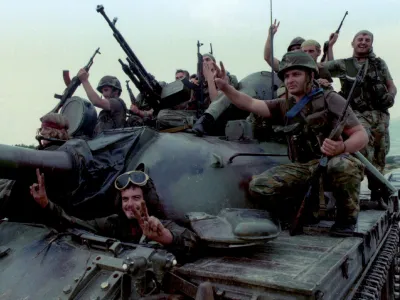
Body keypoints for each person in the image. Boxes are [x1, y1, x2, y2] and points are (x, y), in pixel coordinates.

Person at [212, 51, 368, 236]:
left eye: (296, 74)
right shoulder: (284, 105)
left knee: (343, 166)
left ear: (310, 75)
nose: (290, 80)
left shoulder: (330, 99)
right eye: (286, 76)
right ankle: (300, 210)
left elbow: (361, 135)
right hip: (304, 168)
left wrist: (341, 147)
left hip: (330, 163)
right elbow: (250, 103)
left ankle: (346, 219)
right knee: (260, 186)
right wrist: (226, 88)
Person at [29, 169, 198, 254]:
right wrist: (46, 204)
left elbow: (192, 242)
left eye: (136, 198)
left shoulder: (160, 224)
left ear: (148, 200)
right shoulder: (114, 224)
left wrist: (166, 237)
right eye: (125, 199)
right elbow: (75, 223)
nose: (130, 204)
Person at [323, 30, 397, 203]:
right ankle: (352, 190)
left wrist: (392, 96)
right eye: (360, 39)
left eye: (367, 40)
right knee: (363, 152)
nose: (363, 42)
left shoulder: (379, 64)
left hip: (380, 116)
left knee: (380, 154)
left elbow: (391, 85)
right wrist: (330, 46)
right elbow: (326, 69)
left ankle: (378, 192)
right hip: (357, 116)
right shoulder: (345, 64)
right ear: (353, 42)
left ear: (371, 43)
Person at [0, 113, 71, 222]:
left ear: (56, 131)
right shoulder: (43, 150)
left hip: (37, 205)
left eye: (46, 129)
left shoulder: (57, 152)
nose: (42, 132)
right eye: (42, 128)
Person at [78, 70, 128, 136]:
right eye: (102, 91)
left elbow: (96, 101)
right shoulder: (105, 112)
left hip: (112, 144)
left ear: (116, 91)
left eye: (106, 90)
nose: (104, 94)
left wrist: (84, 80)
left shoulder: (117, 103)